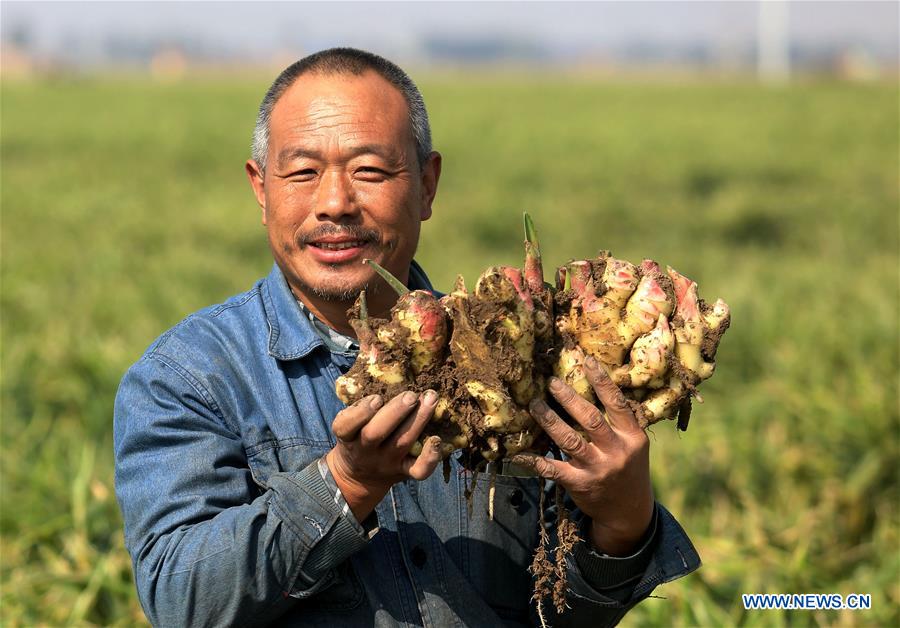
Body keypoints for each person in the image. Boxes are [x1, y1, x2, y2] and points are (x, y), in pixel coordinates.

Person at [114, 47, 700, 627]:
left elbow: (562, 617)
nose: (335, 203)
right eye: (301, 172)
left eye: (369, 170)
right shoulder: (189, 376)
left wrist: (623, 525)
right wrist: (347, 482)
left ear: (427, 185)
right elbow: (181, 599)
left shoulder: (524, 358)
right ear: (260, 188)